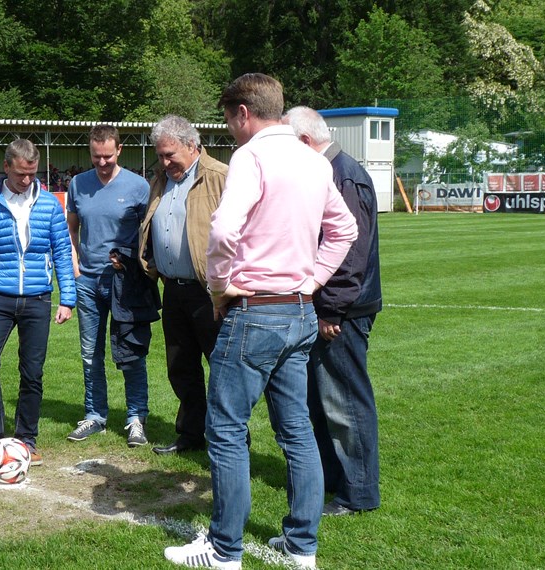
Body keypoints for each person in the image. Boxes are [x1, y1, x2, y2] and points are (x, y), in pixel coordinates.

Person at [164, 73, 357, 570]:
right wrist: (311, 282)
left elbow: (224, 228)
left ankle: (225, 549)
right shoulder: (313, 160)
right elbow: (345, 229)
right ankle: (301, 547)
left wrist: (219, 285)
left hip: (255, 313)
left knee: (225, 429)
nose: (230, 130)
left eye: (229, 119)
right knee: (296, 430)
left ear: (243, 113)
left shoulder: (250, 157)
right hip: (299, 312)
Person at [284, 106, 383, 517]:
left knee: (344, 401)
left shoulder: (341, 175)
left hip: (342, 311)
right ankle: (333, 479)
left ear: (306, 143)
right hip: (331, 306)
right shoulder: (335, 170)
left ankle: (357, 493)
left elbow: (349, 254)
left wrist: (332, 311)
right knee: (321, 400)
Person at [0, 138, 75, 468]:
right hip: (0, 298)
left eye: (32, 174)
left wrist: (68, 298)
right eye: (21, 174)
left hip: (38, 299)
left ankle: (27, 439)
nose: (27, 180)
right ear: (6, 167)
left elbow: (63, 253)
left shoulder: (51, 205)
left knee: (32, 372)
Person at [138, 115, 228, 455]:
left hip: (211, 292)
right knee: (181, 367)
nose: (163, 162)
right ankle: (191, 435)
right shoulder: (161, 180)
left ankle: (229, 441)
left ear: (192, 146)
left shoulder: (219, 176)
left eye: (169, 154)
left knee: (221, 368)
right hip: (173, 290)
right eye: (160, 155)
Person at [65, 124, 152, 447]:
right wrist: (75, 266)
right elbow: (72, 229)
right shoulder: (78, 184)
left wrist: (134, 263)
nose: (101, 162)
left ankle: (135, 418)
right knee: (90, 354)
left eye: (107, 156)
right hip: (87, 282)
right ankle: (95, 415)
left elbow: (149, 233)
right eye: (95, 156)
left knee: (131, 353)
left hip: (125, 283)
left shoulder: (138, 186)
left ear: (119, 151)